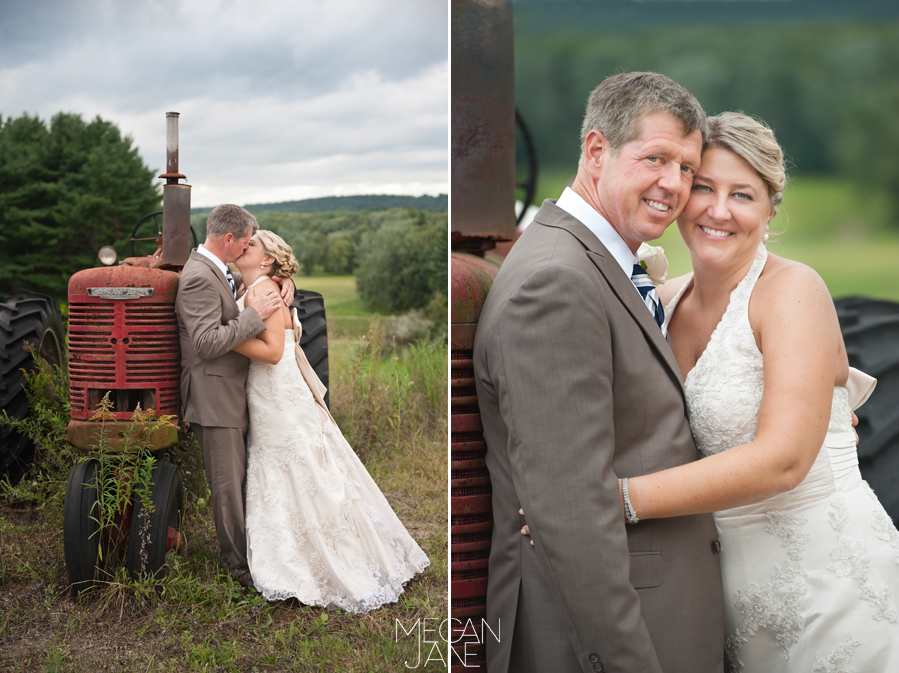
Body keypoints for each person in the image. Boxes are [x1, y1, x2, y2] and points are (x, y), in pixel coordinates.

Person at [524, 112, 899, 671]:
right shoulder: (662, 301)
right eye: (703, 188)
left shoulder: (794, 290)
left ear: (771, 208)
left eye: (742, 194)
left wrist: (612, 501)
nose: (718, 211)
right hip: (727, 595)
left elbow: (783, 460)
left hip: (830, 583)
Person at [472, 72, 725, 673]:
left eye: (688, 168)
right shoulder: (555, 282)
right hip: (608, 637)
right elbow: (570, 513)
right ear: (596, 151)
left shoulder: (599, 262)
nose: (675, 185)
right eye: (656, 159)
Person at [230, 229, 429, 612]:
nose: (243, 246)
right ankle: (293, 546)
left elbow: (271, 352)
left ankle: (318, 557)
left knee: (297, 467)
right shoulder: (253, 285)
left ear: (268, 259)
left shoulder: (266, 291)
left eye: (251, 244)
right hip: (271, 394)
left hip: (278, 394)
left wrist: (220, 338)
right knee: (290, 468)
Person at [175, 204, 289, 587]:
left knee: (238, 480)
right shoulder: (198, 277)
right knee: (227, 487)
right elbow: (206, 342)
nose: (245, 248)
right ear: (228, 239)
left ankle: (250, 554)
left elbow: (244, 294)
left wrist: (281, 283)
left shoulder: (217, 271)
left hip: (232, 390)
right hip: (213, 395)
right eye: (244, 242)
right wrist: (253, 314)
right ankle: (239, 569)